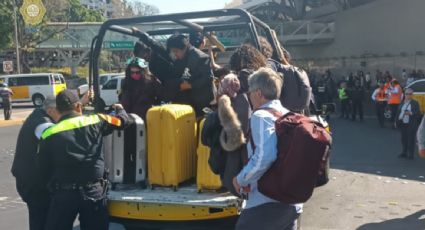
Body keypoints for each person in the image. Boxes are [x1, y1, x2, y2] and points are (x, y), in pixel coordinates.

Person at [37, 90, 133, 230]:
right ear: (78, 106)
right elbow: (123, 121)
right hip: (93, 192)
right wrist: (120, 109)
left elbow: (43, 168)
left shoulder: (48, 133)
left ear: (58, 110)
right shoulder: (96, 120)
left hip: (64, 193)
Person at [233, 68, 302, 230]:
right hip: (291, 201)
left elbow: (266, 156)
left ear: (258, 93)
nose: (249, 96)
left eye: (250, 91)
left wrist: (241, 179)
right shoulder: (288, 114)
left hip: (266, 203)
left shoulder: (261, 116)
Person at [10, 98, 60, 230]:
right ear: (51, 110)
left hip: (31, 180)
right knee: (41, 219)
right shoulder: (43, 124)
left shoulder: (39, 115)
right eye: (62, 111)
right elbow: (61, 139)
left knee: (41, 218)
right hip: (35, 184)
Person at [167, 34, 215, 115]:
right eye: (173, 51)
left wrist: (190, 85)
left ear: (184, 47)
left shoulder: (200, 57)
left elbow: (208, 78)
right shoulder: (180, 59)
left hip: (203, 103)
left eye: (176, 51)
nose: (174, 54)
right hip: (188, 103)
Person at [396, 88, 420, 160]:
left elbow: (418, 113)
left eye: (410, 94)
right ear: (404, 94)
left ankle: (411, 154)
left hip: (411, 124)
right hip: (402, 123)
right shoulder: (402, 102)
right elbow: (398, 112)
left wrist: (410, 113)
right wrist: (395, 121)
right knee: (403, 139)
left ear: (412, 95)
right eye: (407, 94)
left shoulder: (415, 103)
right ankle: (404, 152)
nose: (408, 95)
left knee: (411, 139)